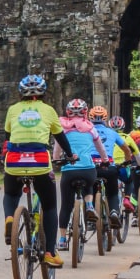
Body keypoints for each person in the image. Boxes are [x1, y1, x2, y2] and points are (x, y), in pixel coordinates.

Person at [2, 74, 75, 268]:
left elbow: (8, 137)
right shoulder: (49, 110)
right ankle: (50, 252)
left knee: (10, 194)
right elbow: (60, 137)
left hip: (15, 160)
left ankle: (10, 218)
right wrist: (70, 155)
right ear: (43, 93)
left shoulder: (13, 110)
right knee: (50, 206)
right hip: (40, 160)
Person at [56, 99, 108, 251]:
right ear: (86, 112)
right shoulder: (91, 128)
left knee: (66, 205)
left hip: (68, 171)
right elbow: (101, 148)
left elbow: (57, 151)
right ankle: (90, 205)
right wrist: (105, 160)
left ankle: (62, 239)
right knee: (89, 183)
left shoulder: (63, 129)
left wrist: (57, 160)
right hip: (87, 169)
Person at [88, 106, 140, 226]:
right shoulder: (112, 132)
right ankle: (114, 212)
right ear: (105, 118)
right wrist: (127, 162)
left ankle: (90, 211)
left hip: (91, 168)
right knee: (112, 192)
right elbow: (127, 150)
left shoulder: (86, 131)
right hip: (109, 168)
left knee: (89, 190)